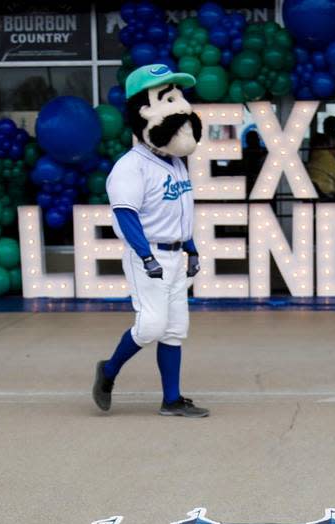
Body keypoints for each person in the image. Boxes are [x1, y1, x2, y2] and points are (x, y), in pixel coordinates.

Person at [93, 64, 209, 418]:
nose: (182, 108)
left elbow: (181, 211)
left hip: (175, 255)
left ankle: (171, 399)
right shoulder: (131, 166)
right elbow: (126, 215)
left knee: (175, 330)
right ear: (144, 111)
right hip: (150, 255)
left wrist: (190, 248)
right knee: (151, 325)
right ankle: (108, 371)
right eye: (168, 98)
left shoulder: (175, 163)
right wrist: (146, 257)